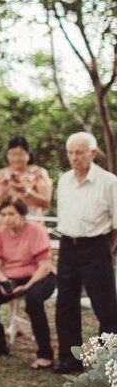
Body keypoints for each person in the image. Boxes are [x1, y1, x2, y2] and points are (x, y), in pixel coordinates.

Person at [53, 131, 117, 374]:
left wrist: (104, 251)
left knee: (107, 308)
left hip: (97, 247)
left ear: (92, 153)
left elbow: (116, 225)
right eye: (70, 152)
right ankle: (69, 360)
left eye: (79, 152)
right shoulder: (64, 180)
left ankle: (108, 364)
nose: (74, 157)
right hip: (68, 246)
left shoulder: (109, 181)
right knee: (65, 306)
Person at [0, 196, 56, 367]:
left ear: (22, 214)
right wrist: (5, 281)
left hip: (41, 275)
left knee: (33, 301)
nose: (7, 219)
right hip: (13, 276)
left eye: (11, 214)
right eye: (3, 214)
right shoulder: (1, 233)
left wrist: (27, 287)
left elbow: (44, 267)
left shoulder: (36, 231)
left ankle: (45, 355)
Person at [0, 134, 52, 218]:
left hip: (31, 226)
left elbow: (46, 203)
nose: (16, 159)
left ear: (28, 155)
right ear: (7, 155)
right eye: (12, 154)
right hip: (6, 227)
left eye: (20, 154)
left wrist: (25, 190)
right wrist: (3, 190)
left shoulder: (38, 173)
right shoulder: (0, 175)